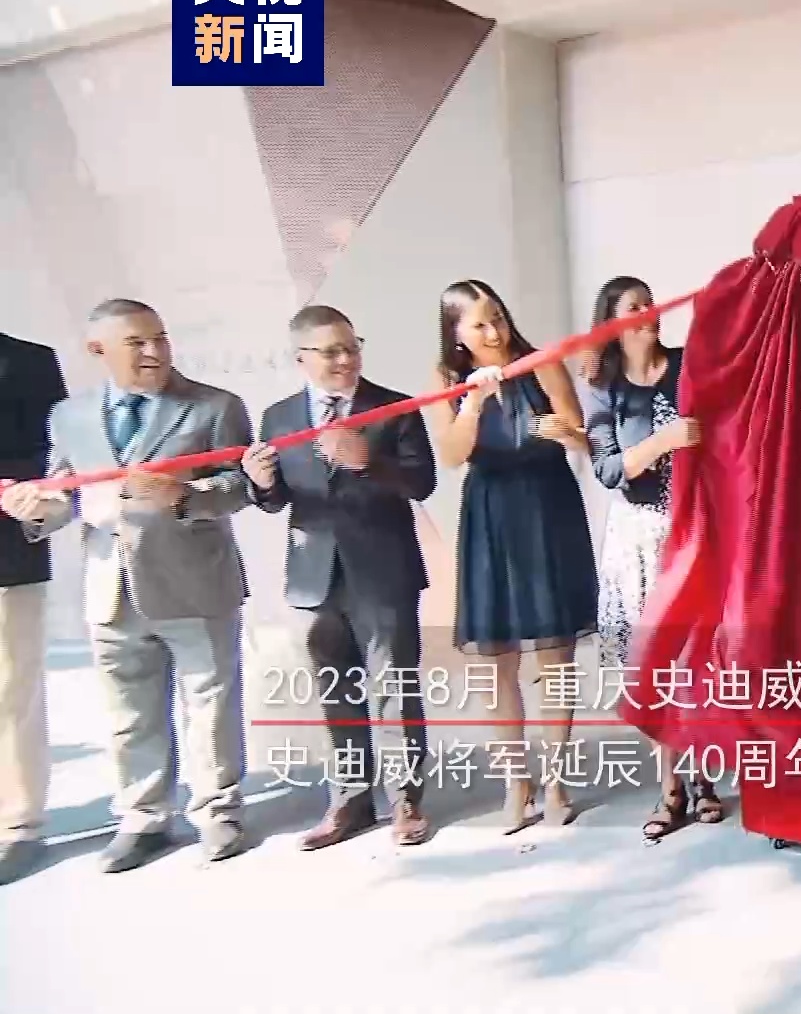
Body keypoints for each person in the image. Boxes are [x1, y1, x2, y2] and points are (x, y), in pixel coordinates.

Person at [0, 299, 254, 872]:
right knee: (129, 712)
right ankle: (143, 818)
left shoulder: (215, 406)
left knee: (209, 707)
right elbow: (65, 493)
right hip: (110, 585)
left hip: (194, 581)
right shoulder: (70, 416)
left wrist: (185, 495)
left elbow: (242, 486)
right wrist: (36, 509)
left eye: (159, 338)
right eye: (137, 342)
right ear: (99, 350)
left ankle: (219, 812)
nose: (154, 351)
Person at [243, 306, 437, 850]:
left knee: (394, 687)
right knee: (336, 690)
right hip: (314, 574)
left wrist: (368, 461)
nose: (346, 360)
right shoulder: (279, 417)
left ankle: (406, 800)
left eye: (352, 347)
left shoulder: (393, 408)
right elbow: (276, 500)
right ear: (300, 358)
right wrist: (260, 483)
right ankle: (349, 799)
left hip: (384, 568)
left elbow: (422, 482)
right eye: (331, 351)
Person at [422, 279, 597, 831]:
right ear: (456, 333)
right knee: (496, 661)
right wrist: (473, 400)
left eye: (497, 317)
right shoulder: (446, 379)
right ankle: (516, 784)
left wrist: (566, 432)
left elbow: (585, 439)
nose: (494, 332)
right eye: (479, 324)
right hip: (490, 513)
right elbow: (452, 456)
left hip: (548, 507)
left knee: (555, 657)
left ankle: (558, 781)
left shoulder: (541, 363)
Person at [578, 276, 717, 841]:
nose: (649, 313)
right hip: (639, 537)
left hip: (693, 530)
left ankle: (705, 778)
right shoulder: (604, 389)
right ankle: (670, 787)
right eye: (634, 307)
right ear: (613, 323)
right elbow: (609, 469)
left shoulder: (688, 365)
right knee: (654, 663)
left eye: (651, 303)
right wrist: (663, 441)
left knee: (696, 660)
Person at [0, 331, 66, 885]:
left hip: (5, 555)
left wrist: (31, 496)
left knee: (9, 693)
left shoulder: (27, 362)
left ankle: (16, 827)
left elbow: (57, 460)